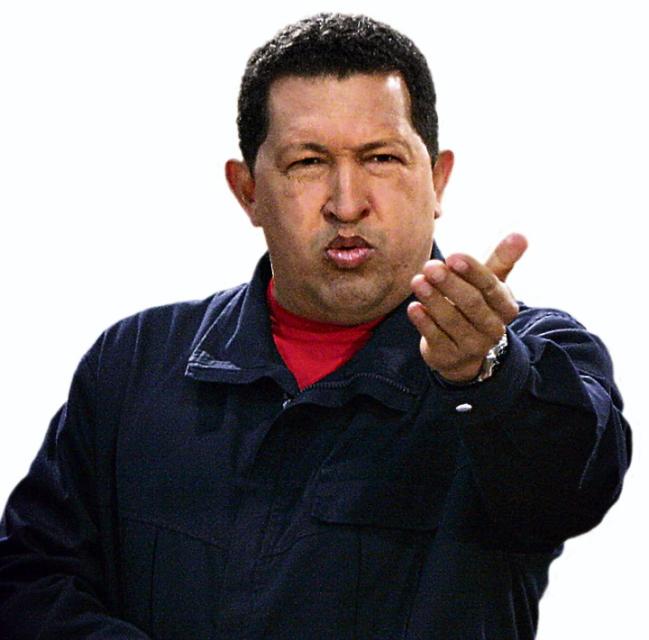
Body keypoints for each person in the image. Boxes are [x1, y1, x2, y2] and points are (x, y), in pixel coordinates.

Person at [0, 12, 631, 640]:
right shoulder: (135, 362)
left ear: (437, 180)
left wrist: (488, 376)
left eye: (381, 158)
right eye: (308, 162)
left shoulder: (538, 354)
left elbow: (572, 492)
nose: (347, 203)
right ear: (248, 190)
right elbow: (30, 578)